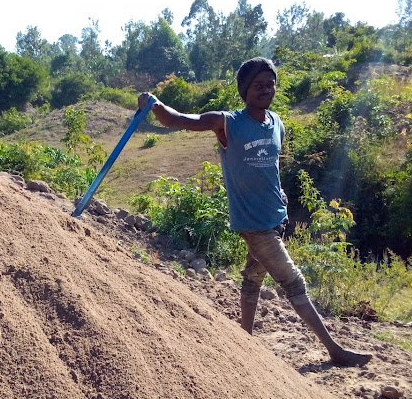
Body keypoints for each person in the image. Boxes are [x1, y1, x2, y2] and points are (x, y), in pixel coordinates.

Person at [138, 57, 372, 366]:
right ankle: (334, 350)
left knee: (252, 281)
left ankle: (242, 342)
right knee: (293, 282)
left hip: (277, 216)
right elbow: (179, 119)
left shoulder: (276, 122)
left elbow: (273, 165)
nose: (265, 90)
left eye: (270, 84)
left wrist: (283, 199)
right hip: (253, 223)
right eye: (257, 85)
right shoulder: (227, 122)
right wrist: (155, 106)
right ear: (245, 90)